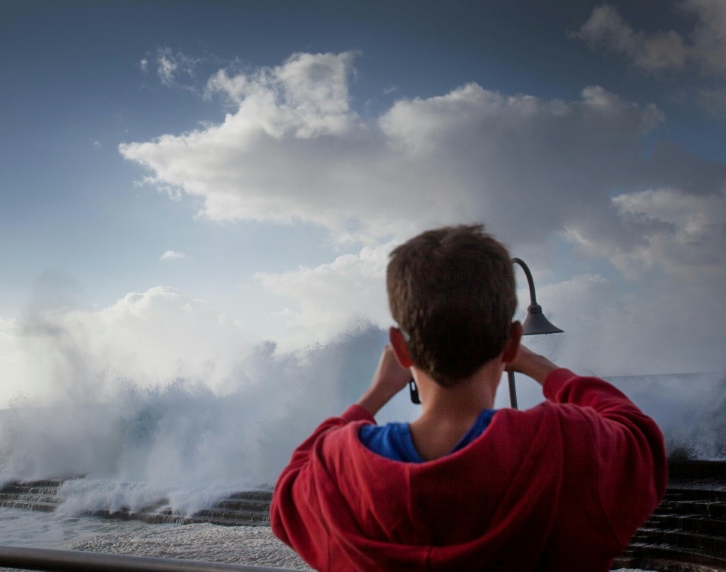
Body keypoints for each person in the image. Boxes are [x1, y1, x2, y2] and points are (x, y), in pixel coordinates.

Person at [270, 224, 667, 572]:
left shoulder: (338, 466)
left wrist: (373, 396)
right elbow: (640, 436)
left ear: (400, 349)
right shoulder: (565, 443)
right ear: (512, 342)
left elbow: (288, 491)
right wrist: (539, 365)